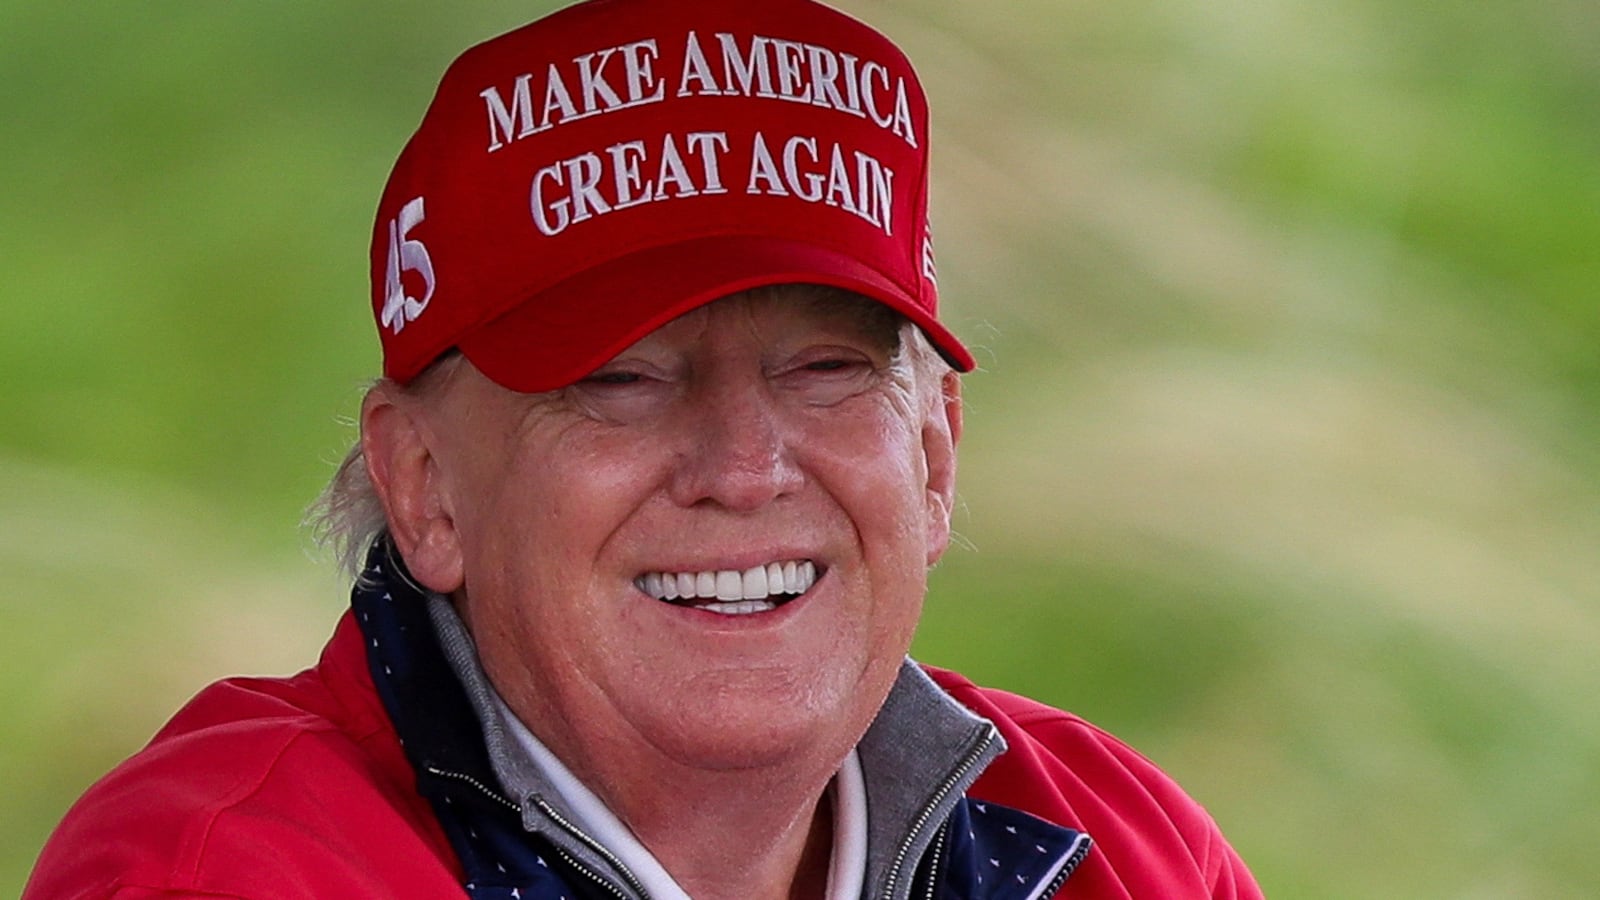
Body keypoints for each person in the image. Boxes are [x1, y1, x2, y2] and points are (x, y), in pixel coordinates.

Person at [26, 1, 1263, 897]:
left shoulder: (1124, 850)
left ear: (934, 458)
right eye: (615, 381)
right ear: (425, 487)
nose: (742, 468)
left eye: (826, 370)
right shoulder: (225, 875)